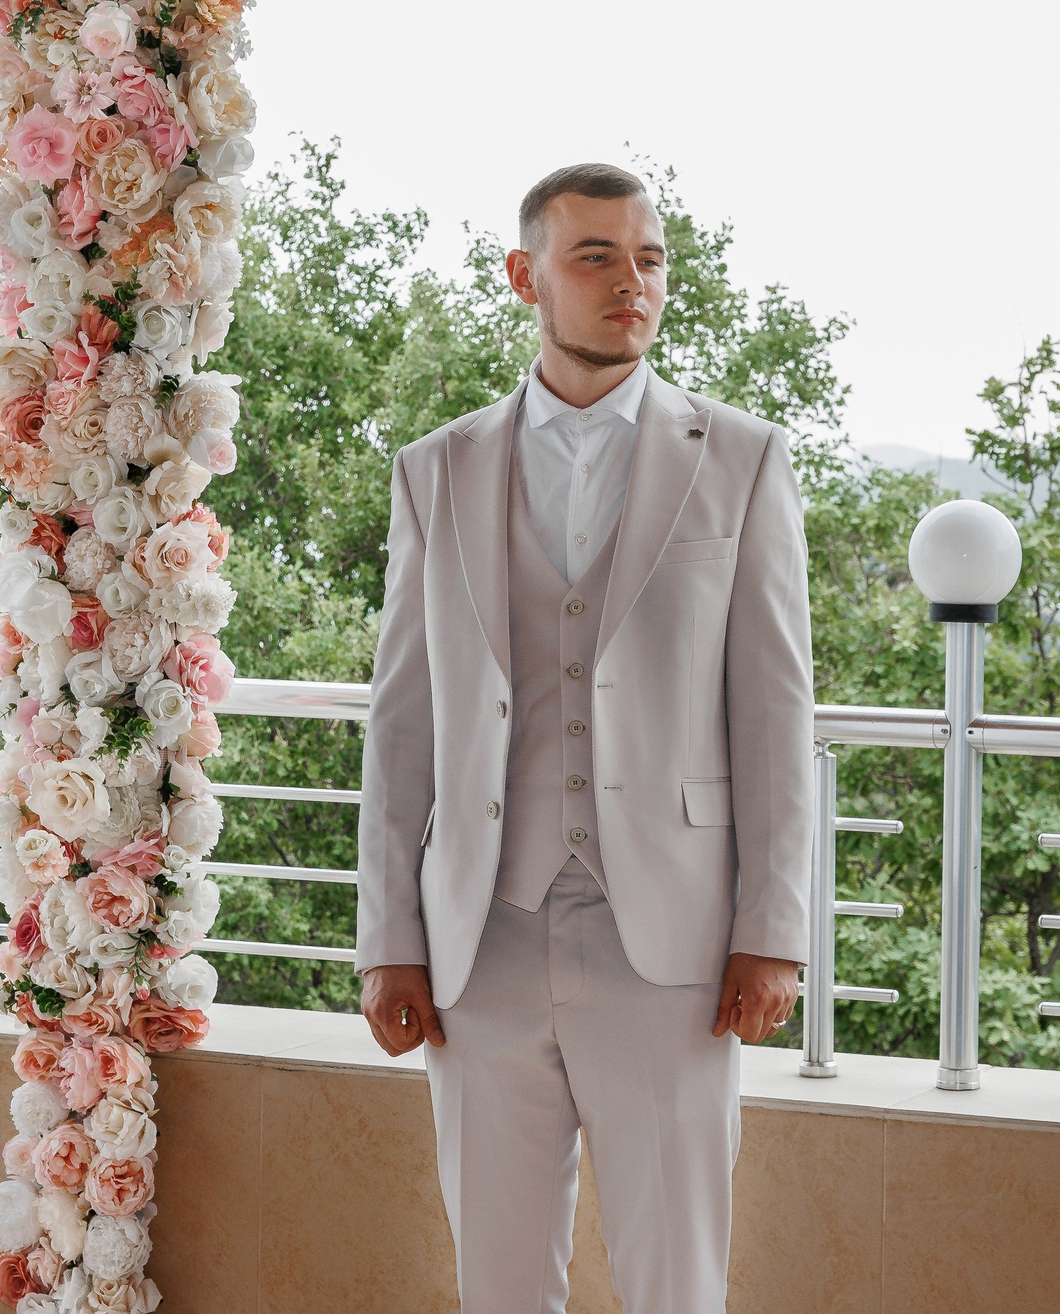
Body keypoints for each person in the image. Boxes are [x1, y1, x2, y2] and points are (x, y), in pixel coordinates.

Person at [352, 162, 816, 1313]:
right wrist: (387, 939)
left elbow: (774, 709)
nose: (632, 283)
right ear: (526, 277)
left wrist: (775, 927)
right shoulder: (435, 469)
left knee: (675, 1283)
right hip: (481, 940)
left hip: (671, 946)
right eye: (596, 256)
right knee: (500, 1287)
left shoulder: (742, 458)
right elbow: (403, 722)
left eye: (649, 258)